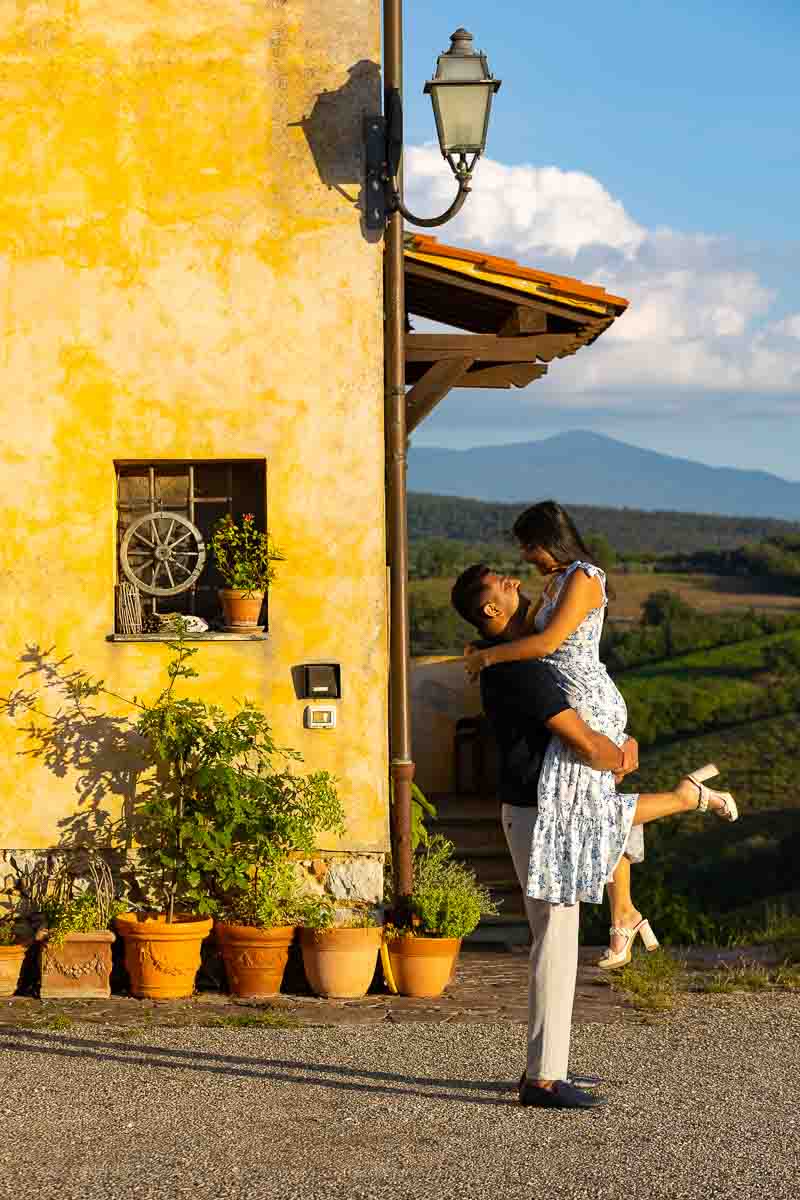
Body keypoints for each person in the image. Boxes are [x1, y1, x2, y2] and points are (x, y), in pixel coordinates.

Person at [451, 557, 737, 1111]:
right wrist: (618, 756)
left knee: (560, 932)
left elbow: (591, 741)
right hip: (542, 816)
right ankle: (543, 1079)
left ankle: (549, 1063)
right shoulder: (522, 670)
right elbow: (581, 739)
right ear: (491, 609)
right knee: (555, 943)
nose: (516, 582)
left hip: (545, 812)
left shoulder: (515, 660)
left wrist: (620, 747)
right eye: (504, 585)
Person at [461, 502, 737, 936]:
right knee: (595, 807)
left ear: (547, 542)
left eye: (527, 547)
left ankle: (689, 798)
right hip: (567, 696)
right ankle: (623, 912)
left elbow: (548, 643)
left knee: (592, 812)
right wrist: (478, 647)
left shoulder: (585, 578)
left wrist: (487, 656)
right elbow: (522, 635)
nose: (523, 559)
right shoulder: (553, 584)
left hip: (588, 699)